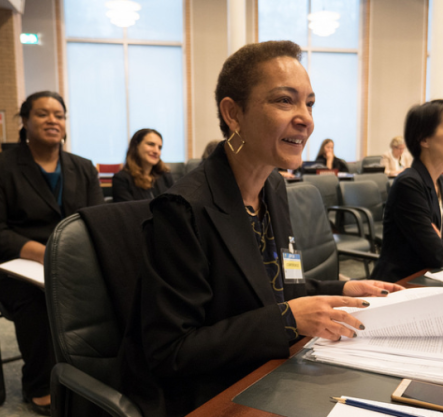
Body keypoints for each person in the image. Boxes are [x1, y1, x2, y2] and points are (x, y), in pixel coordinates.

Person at [119, 40, 403, 417]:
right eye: (285, 101)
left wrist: (344, 288)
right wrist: (286, 320)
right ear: (233, 114)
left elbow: (278, 286)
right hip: (212, 393)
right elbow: (172, 351)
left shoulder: (274, 188)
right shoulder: (182, 211)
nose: (306, 118)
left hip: (270, 369)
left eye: (310, 103)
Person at [0, 91, 104, 415]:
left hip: (70, 259)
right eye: (43, 114)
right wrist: (41, 252)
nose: (53, 120)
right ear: (24, 121)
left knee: (113, 284)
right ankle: (39, 386)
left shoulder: (83, 167)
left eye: (59, 115)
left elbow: (94, 221)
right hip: (15, 262)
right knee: (36, 298)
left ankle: (96, 374)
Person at [370, 99, 443, 283]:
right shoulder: (409, 184)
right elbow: (437, 255)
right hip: (401, 285)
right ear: (424, 139)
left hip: (431, 281)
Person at [112, 128, 174, 202]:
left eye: (159, 147)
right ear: (136, 145)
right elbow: (127, 212)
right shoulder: (122, 179)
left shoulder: (165, 176)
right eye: (151, 144)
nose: (156, 151)